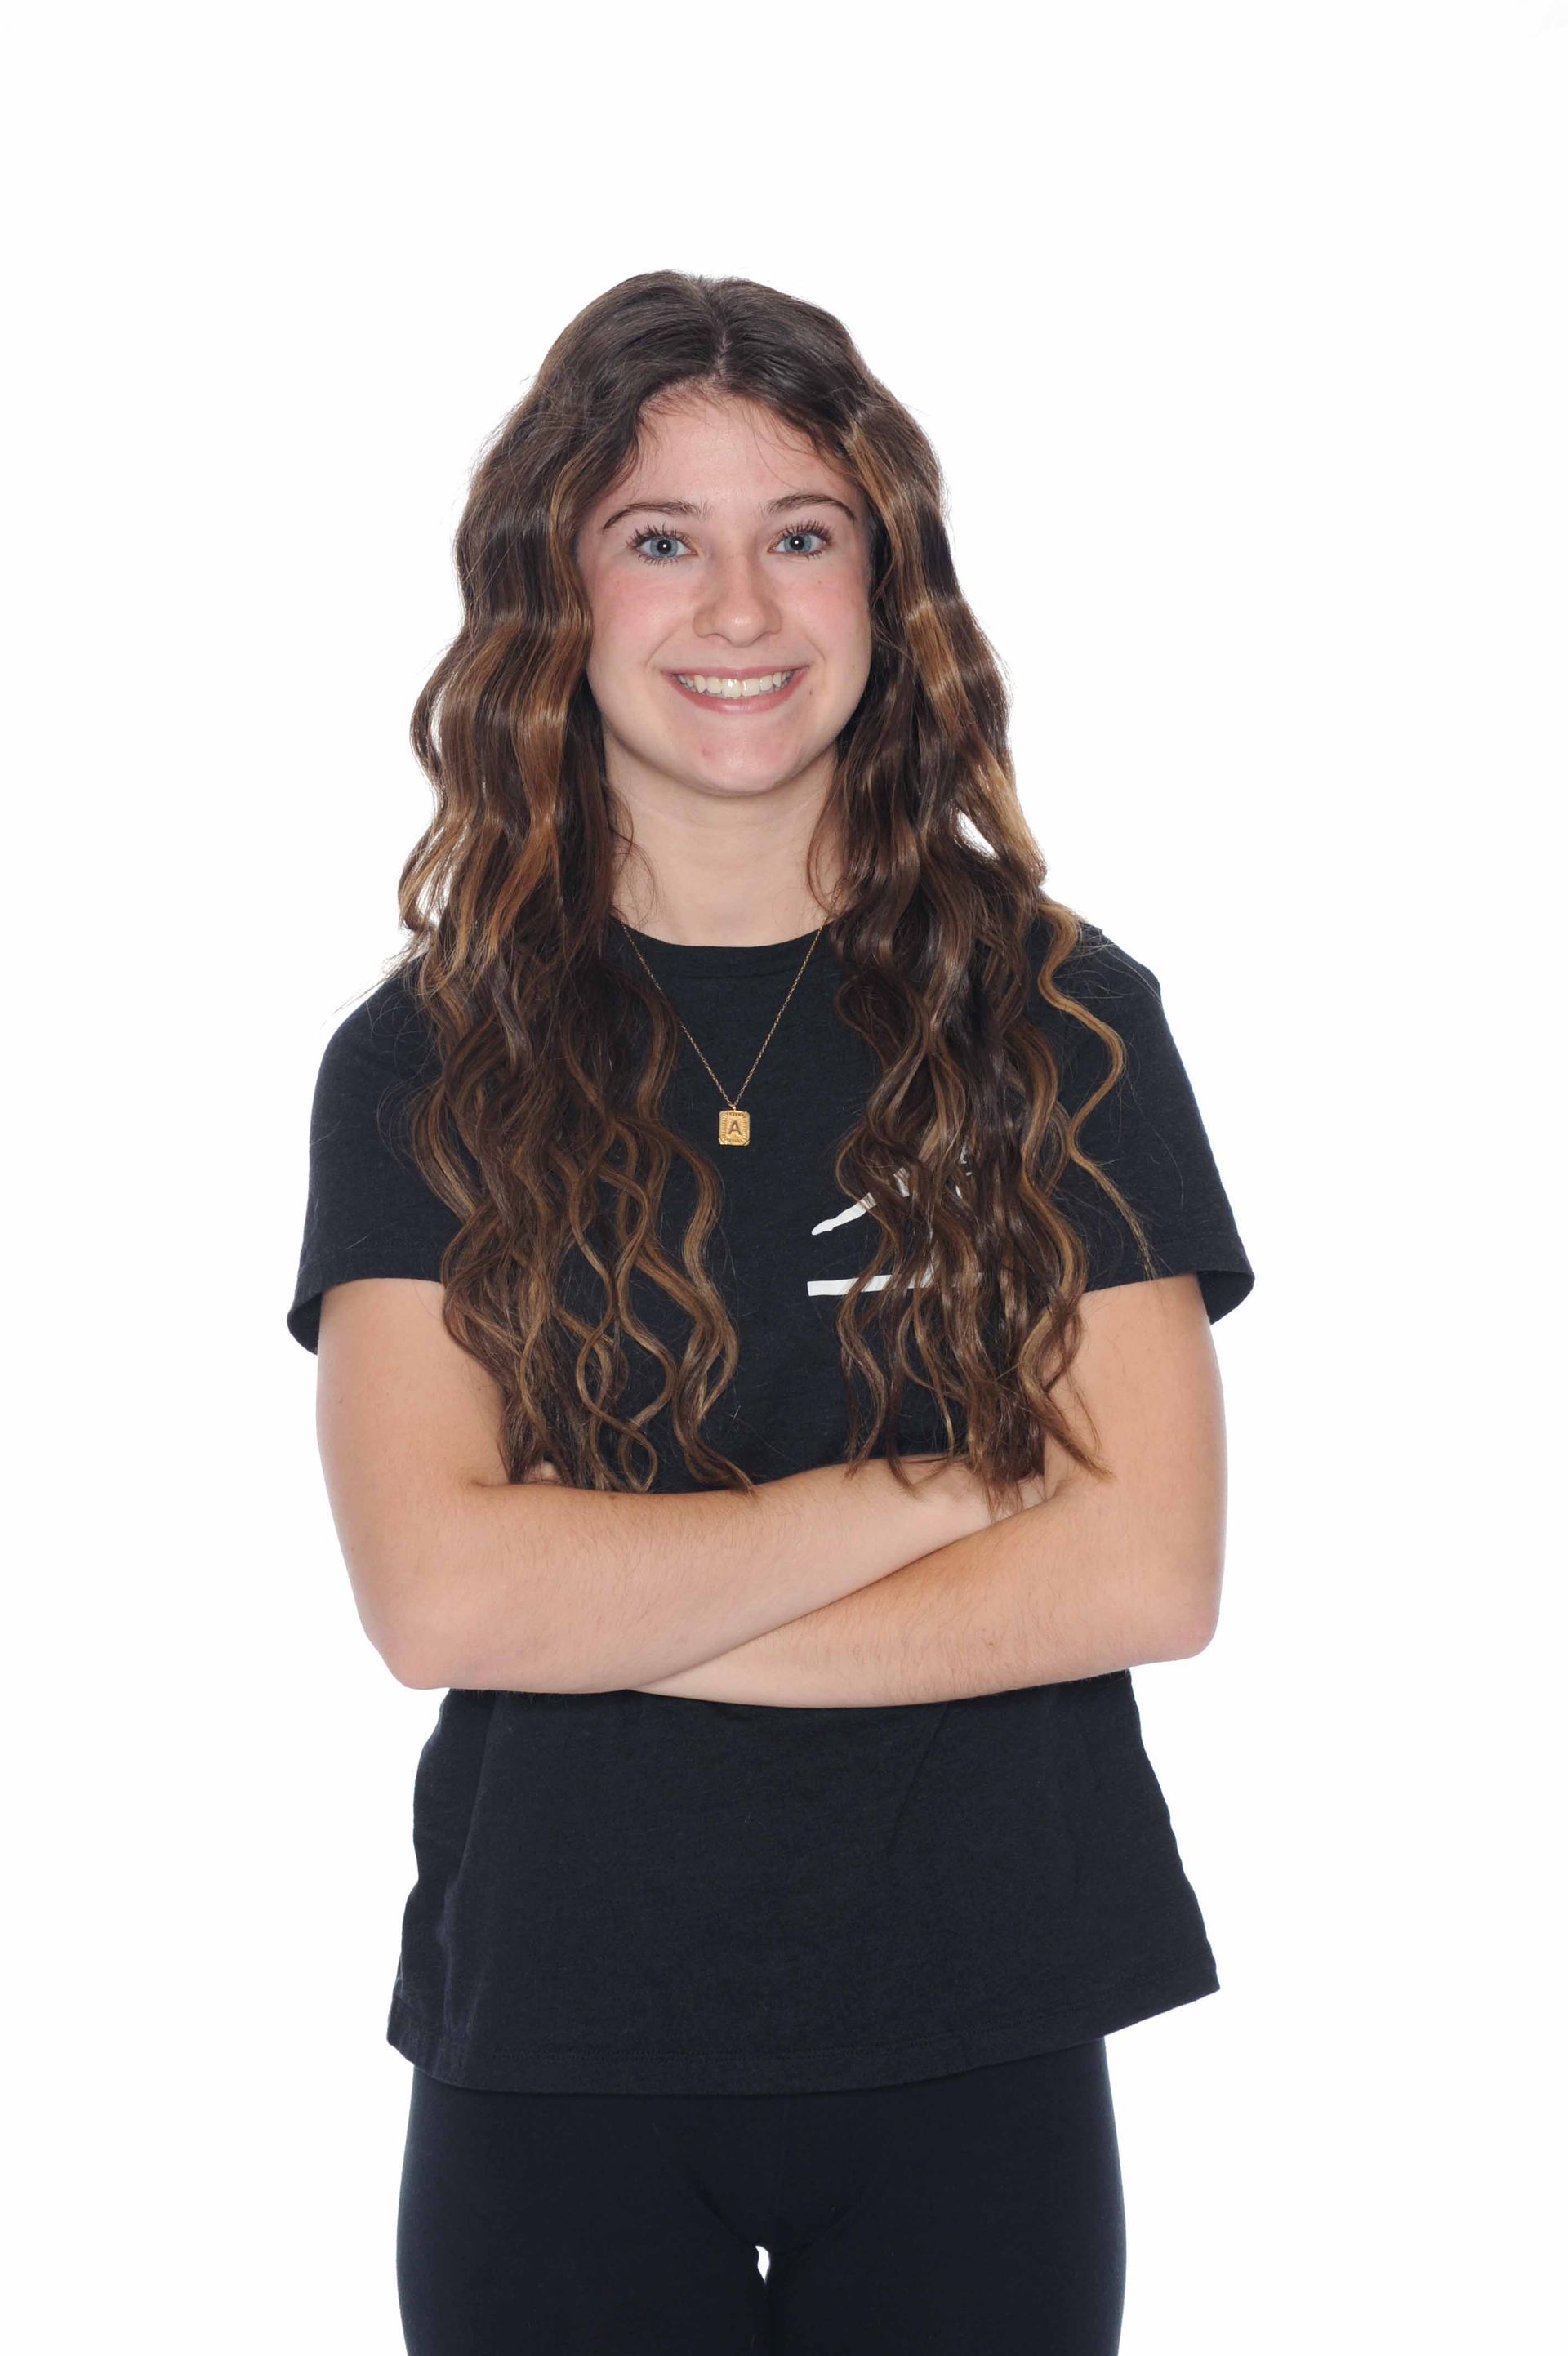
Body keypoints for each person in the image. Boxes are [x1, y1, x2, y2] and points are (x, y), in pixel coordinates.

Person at [286, 270, 1255, 2355]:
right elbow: (445, 1601)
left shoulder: (1059, 1021)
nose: (740, 610)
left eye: (800, 534)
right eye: (663, 540)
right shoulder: (425, 1063)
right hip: (557, 2038)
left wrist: (620, 1605)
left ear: (883, 588)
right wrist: (944, 1487)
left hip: (982, 2025)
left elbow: (1150, 1569)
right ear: (559, 595)